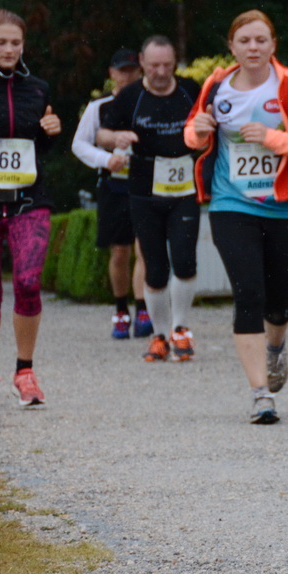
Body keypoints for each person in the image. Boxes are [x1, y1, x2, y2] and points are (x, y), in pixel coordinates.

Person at [184, 11, 288, 423]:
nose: (253, 48)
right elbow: (194, 136)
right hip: (232, 205)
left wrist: (272, 139)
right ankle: (260, 394)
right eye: (245, 41)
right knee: (248, 293)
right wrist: (197, 129)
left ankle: (275, 346)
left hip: (287, 205)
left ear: (273, 45)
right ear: (231, 46)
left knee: (278, 301)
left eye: (261, 40)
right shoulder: (216, 85)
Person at [99, 37, 204, 362]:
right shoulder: (130, 96)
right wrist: (115, 138)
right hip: (144, 192)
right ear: (143, 62)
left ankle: (181, 329)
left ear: (175, 64)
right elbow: (101, 134)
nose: (160, 72)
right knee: (155, 268)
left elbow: (210, 129)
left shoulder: (190, 89)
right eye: (154, 65)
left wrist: (204, 133)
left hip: (185, 189)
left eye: (167, 65)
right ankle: (159, 336)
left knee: (185, 261)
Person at [0, 9, 61, 408]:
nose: (9, 49)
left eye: (15, 43)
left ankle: (25, 371)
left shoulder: (38, 88)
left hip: (29, 200)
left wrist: (51, 132)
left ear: (23, 46)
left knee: (28, 281)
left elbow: (38, 146)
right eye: (1, 42)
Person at [72, 48, 150, 338]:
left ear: (140, 71)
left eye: (132, 70)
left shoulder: (150, 102)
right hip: (114, 185)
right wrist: (106, 159)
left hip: (146, 184)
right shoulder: (100, 107)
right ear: (112, 73)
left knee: (145, 247)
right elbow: (79, 144)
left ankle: (143, 308)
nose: (127, 75)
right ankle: (120, 309)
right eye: (122, 70)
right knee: (120, 251)